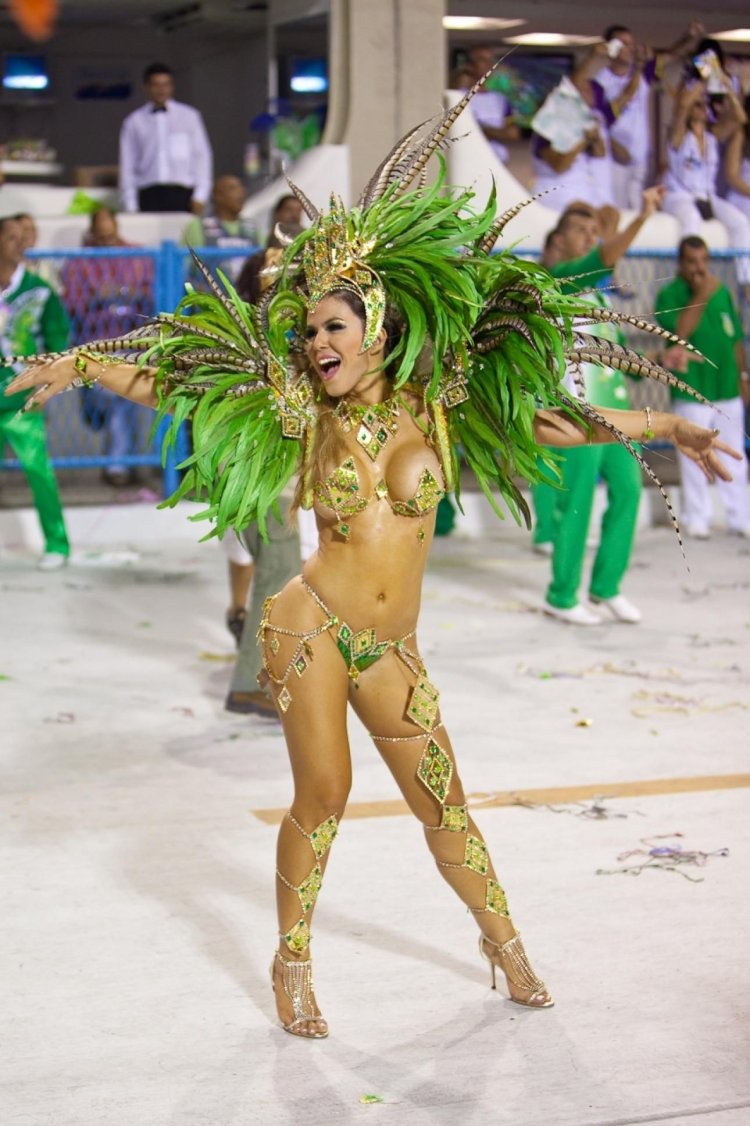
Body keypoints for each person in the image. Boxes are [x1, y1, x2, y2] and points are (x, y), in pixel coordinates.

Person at [5, 87, 738, 1041]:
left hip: (394, 646)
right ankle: (293, 962)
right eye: (307, 332)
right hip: (309, 626)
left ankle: (504, 943)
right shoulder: (302, 413)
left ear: (380, 329)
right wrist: (87, 364)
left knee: (447, 806)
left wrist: (667, 423)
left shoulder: (438, 409)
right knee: (327, 797)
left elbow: (556, 422)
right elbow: (176, 385)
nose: (316, 344)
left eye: (333, 329)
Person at [532, 191, 664, 623]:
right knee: (578, 504)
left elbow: (622, 355)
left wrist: (661, 365)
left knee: (627, 493)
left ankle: (606, 587)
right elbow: (605, 259)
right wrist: (642, 216)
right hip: (578, 414)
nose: (589, 237)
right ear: (558, 239)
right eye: (580, 230)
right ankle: (561, 595)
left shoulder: (600, 298)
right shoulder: (556, 283)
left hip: (618, 416)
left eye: (594, 231)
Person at [655, 236, 749, 538]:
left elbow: (734, 339)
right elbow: (680, 333)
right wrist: (701, 295)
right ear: (680, 264)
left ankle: (739, 517)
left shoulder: (721, 293)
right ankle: (697, 517)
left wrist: (743, 377)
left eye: (704, 261)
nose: (699, 268)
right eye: (692, 262)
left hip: (726, 387)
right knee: (694, 455)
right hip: (691, 389)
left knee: (734, 454)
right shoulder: (669, 295)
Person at [61, 207, 154, 486]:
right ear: (92, 232)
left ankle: (119, 465)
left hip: (132, 342)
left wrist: (126, 295)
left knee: (123, 399)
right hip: (94, 345)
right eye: (101, 237)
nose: (107, 241)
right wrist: (95, 299)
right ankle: (126, 461)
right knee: (106, 407)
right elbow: (71, 306)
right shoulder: (79, 262)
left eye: (111, 235)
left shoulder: (138, 256)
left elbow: (152, 297)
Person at [0, 216, 71, 570]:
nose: (19, 243)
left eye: (20, 238)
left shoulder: (39, 290)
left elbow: (58, 338)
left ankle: (57, 544)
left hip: (20, 400)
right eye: (11, 237)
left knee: (38, 471)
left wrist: (48, 377)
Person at [661, 79, 750, 285]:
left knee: (740, 221)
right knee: (692, 219)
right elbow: (682, 105)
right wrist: (702, 80)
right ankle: (686, 277)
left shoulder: (712, 136)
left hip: (707, 195)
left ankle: (745, 280)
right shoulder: (679, 135)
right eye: (698, 105)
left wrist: (727, 88)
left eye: (704, 104)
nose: (703, 108)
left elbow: (740, 117)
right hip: (678, 195)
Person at [531, 42, 618, 232]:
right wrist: (583, 140)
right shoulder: (545, 133)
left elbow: (600, 153)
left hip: (582, 189)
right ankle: (589, 258)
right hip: (555, 190)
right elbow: (560, 165)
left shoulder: (585, 122)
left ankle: (607, 261)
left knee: (611, 214)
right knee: (588, 215)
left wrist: (594, 139)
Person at [119, 62, 213, 214]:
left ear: (172, 86)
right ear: (146, 87)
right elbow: (128, 165)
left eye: (166, 84)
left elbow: (202, 157)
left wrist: (200, 196)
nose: (161, 90)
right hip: (148, 192)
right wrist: (130, 204)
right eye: (156, 85)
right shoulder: (133, 121)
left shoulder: (189, 116)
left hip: (183, 192)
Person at [182, 174, 259, 280]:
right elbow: (183, 267)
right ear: (217, 196)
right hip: (211, 293)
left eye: (241, 187)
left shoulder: (253, 228)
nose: (241, 192)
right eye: (232, 188)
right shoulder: (198, 226)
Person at [463, 46, 521, 164]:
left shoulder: (500, 99)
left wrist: (481, 129)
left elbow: (513, 134)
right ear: (470, 64)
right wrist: (496, 132)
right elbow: (462, 131)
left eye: (490, 61)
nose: (488, 65)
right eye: (481, 60)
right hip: (469, 160)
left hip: (498, 160)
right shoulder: (459, 97)